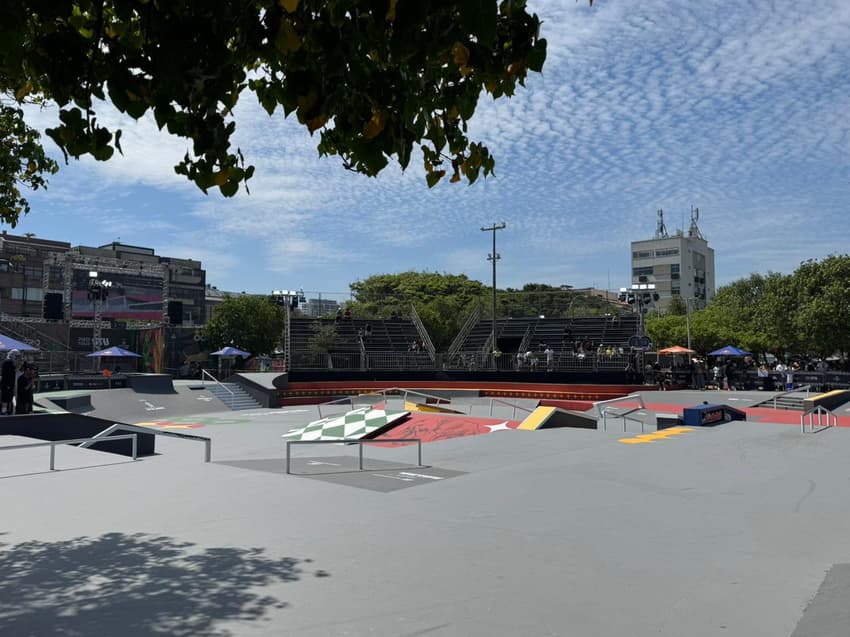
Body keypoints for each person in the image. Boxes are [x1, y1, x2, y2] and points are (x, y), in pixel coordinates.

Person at [1, 349, 20, 415]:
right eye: (16, 356)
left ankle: (8, 411)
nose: (17, 358)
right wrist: (8, 385)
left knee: (9, 398)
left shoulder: (9, 362)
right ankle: (4, 411)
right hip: (7, 384)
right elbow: (7, 375)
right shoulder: (8, 362)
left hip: (8, 384)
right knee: (6, 399)